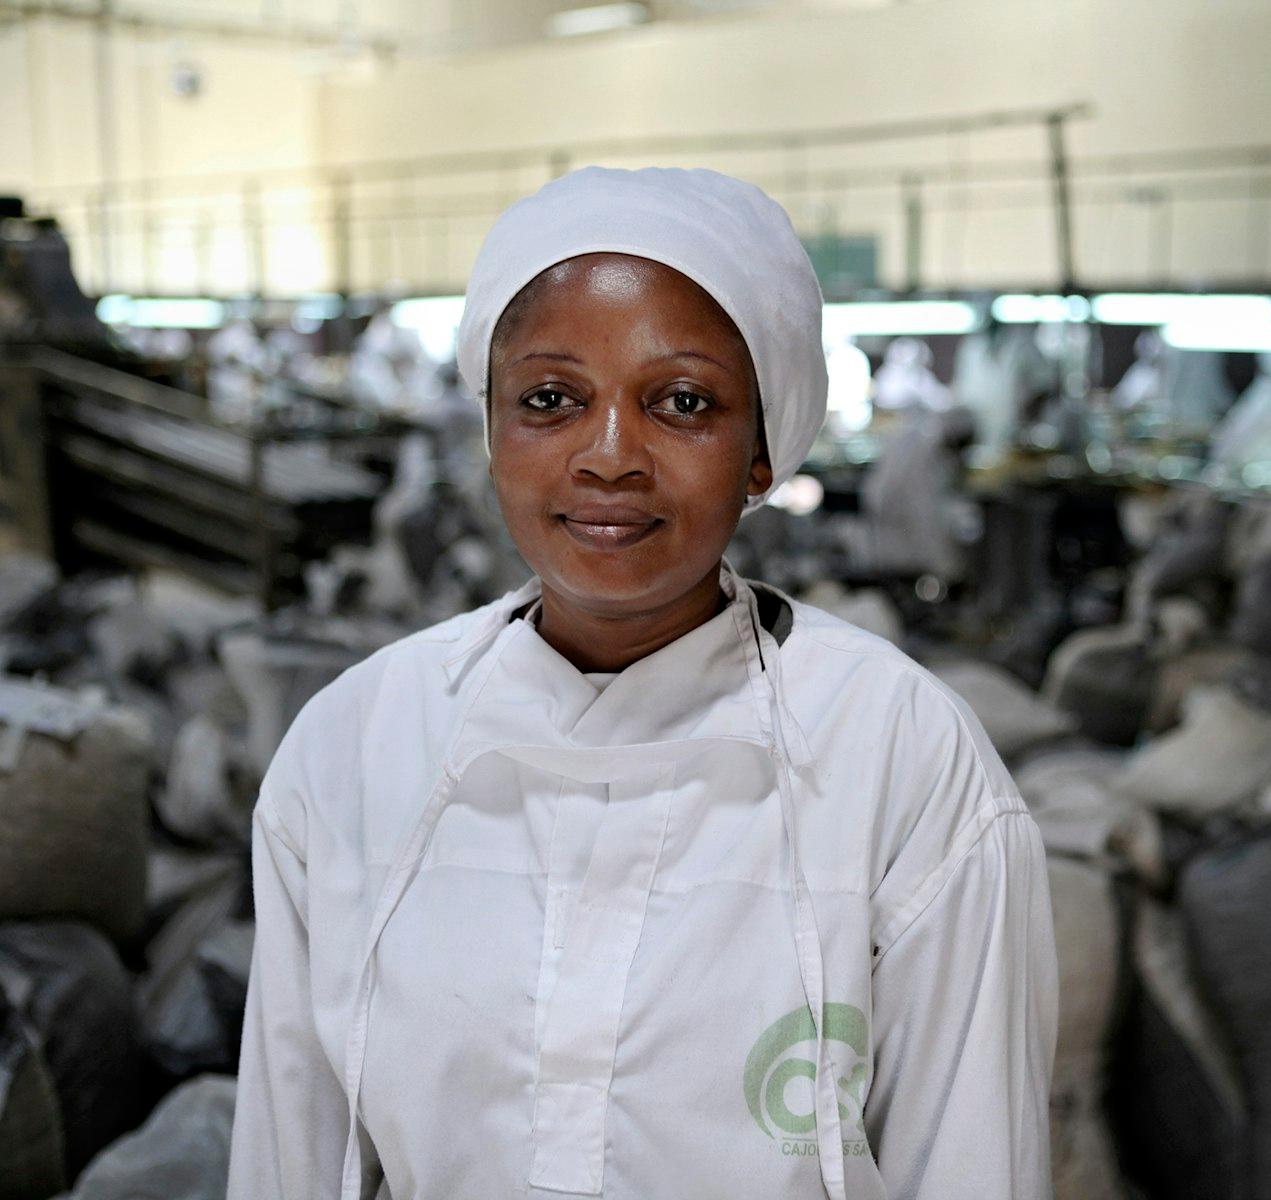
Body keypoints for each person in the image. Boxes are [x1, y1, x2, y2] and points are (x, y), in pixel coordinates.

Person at [226, 167, 1057, 1200]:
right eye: (550, 399)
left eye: (682, 402)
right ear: (491, 433)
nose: (610, 457)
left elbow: (973, 1165)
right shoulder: (353, 749)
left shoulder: (899, 758)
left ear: (761, 452)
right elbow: (287, 1156)